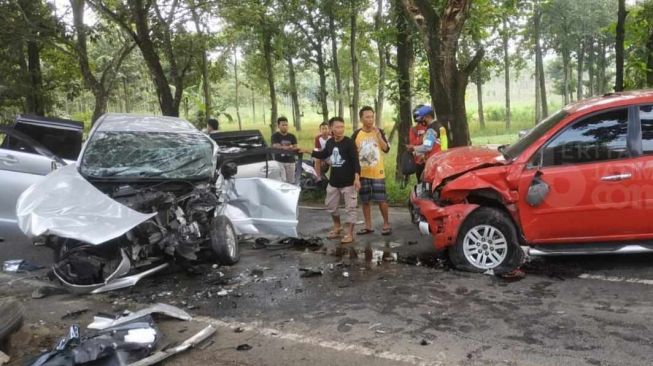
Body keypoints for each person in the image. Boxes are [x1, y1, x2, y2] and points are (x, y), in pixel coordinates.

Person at [302, 116, 361, 244]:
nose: (340, 129)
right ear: (331, 129)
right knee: (331, 206)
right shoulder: (330, 143)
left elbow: (356, 162)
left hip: (349, 182)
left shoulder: (349, 142)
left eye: (342, 127)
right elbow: (322, 155)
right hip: (334, 182)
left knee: (351, 208)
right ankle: (337, 226)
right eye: (337, 127)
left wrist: (357, 178)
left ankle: (350, 233)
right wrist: (307, 150)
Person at [352, 106, 391, 236]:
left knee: (381, 200)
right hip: (362, 173)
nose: (370, 120)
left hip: (377, 172)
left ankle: (386, 224)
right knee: (365, 200)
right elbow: (352, 154)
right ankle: (368, 226)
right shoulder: (357, 134)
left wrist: (379, 136)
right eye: (367, 117)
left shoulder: (379, 131)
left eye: (372, 117)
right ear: (361, 118)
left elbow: (386, 149)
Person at [407, 105, 441, 182]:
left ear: (428, 117)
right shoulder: (440, 126)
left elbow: (427, 147)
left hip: (434, 161)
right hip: (440, 159)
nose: (421, 121)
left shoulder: (432, 129)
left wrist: (413, 148)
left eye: (423, 118)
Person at [271, 116, 299, 184]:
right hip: (279, 161)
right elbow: (275, 145)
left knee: (291, 181)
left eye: (286, 125)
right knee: (282, 181)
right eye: (283, 125)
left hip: (291, 161)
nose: (285, 126)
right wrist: (289, 147)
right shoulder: (275, 136)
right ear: (278, 126)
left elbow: (296, 147)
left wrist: (286, 147)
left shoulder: (292, 136)